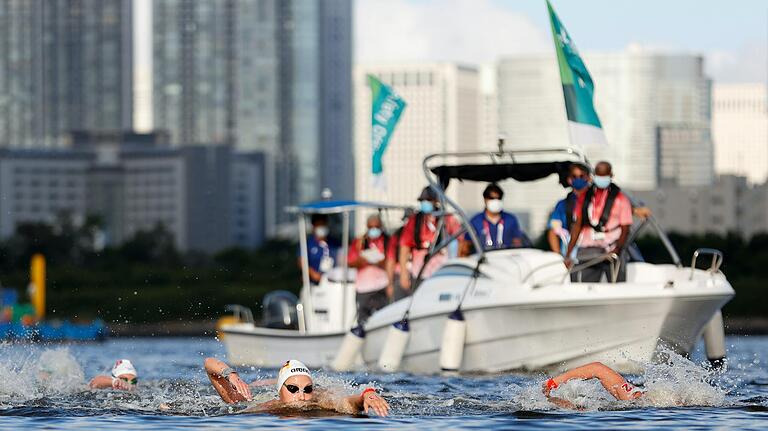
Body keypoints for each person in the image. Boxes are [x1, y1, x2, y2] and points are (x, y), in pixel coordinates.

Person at [203, 358, 390, 416]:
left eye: (307, 389)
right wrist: (231, 375)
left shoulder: (320, 400)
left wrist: (366, 395)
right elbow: (209, 363)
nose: (301, 395)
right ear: (280, 390)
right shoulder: (254, 404)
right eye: (293, 389)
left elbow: (346, 403)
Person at [565, 161, 634, 282]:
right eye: (599, 175)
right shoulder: (584, 198)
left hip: (612, 249)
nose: (601, 179)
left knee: (617, 284)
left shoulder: (621, 199)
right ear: (594, 176)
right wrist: (569, 253)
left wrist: (617, 249)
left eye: (604, 175)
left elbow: (625, 229)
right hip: (589, 250)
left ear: (611, 175)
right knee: (584, 285)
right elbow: (577, 226)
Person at [398, 187, 462, 294]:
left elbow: (460, 239)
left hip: (441, 273)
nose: (425, 203)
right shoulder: (414, 221)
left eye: (428, 200)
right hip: (420, 272)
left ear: (435, 201)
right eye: (422, 200)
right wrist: (403, 273)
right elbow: (404, 246)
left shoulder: (446, 218)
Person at [542, 361, 645, 409]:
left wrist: (553, 384)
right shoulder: (634, 397)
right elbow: (597, 369)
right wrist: (552, 383)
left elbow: (597, 368)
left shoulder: (635, 399)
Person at [460, 183, 526, 256]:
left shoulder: (511, 220)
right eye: (491, 198)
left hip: (506, 260)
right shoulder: (475, 221)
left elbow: (517, 244)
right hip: (482, 261)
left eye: (498, 198)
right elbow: (465, 247)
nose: (495, 201)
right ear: (485, 199)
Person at [348, 214, 390, 324]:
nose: (374, 230)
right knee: (363, 320)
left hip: (382, 287)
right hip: (363, 288)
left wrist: (381, 262)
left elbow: (393, 262)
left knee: (383, 319)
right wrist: (363, 260)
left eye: (376, 227)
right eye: (371, 227)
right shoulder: (359, 242)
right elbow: (350, 262)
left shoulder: (387, 241)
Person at [548, 162, 592, 258]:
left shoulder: (595, 201)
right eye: (574, 176)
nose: (578, 179)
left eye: (581, 176)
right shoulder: (563, 205)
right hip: (570, 252)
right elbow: (554, 228)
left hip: (591, 249)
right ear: (569, 180)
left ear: (589, 178)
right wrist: (560, 257)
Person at [298, 214, 340, 285]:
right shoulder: (307, 243)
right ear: (314, 226)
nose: (322, 227)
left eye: (323, 224)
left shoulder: (334, 243)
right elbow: (301, 262)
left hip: (333, 283)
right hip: (313, 284)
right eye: (319, 224)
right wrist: (313, 274)